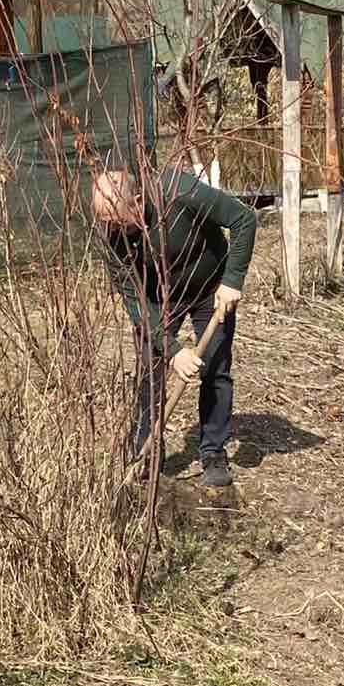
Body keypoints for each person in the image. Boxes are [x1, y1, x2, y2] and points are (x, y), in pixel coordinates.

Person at [94, 167, 256, 488]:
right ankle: (148, 451)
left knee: (215, 368)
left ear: (137, 201)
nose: (111, 229)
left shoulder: (181, 191)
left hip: (210, 289)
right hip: (157, 300)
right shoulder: (108, 235)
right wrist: (173, 351)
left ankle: (213, 451)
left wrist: (232, 280)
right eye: (105, 221)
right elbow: (135, 302)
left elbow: (243, 218)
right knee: (149, 372)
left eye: (117, 221)